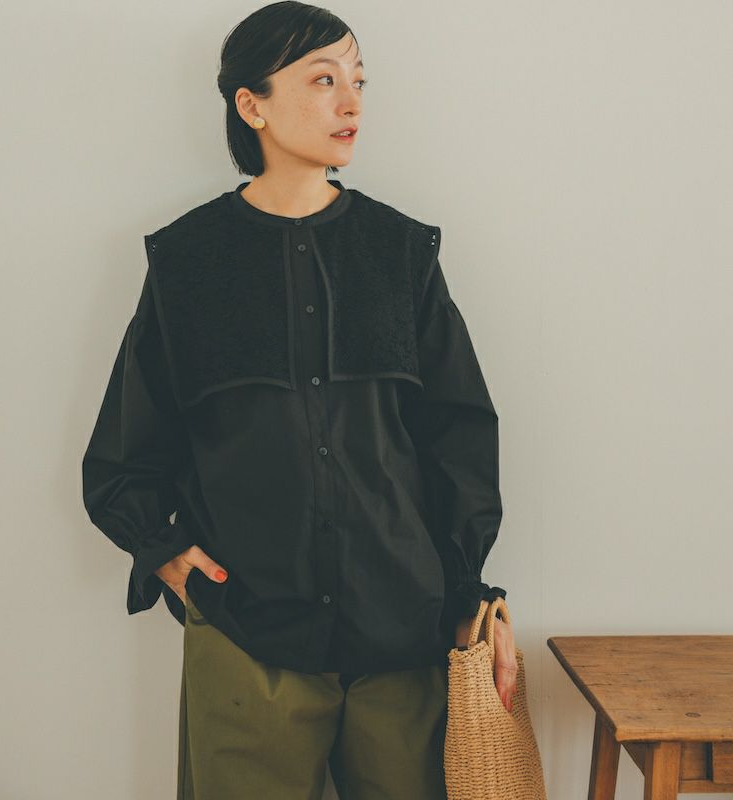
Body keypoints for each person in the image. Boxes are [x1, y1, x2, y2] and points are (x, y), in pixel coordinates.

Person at [81, 2, 517, 798]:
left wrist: (466, 592)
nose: (351, 102)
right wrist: (169, 556)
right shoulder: (188, 262)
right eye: (323, 80)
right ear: (251, 105)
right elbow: (124, 451)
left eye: (359, 81)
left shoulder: (400, 253)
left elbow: (458, 435)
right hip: (247, 634)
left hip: (404, 635)